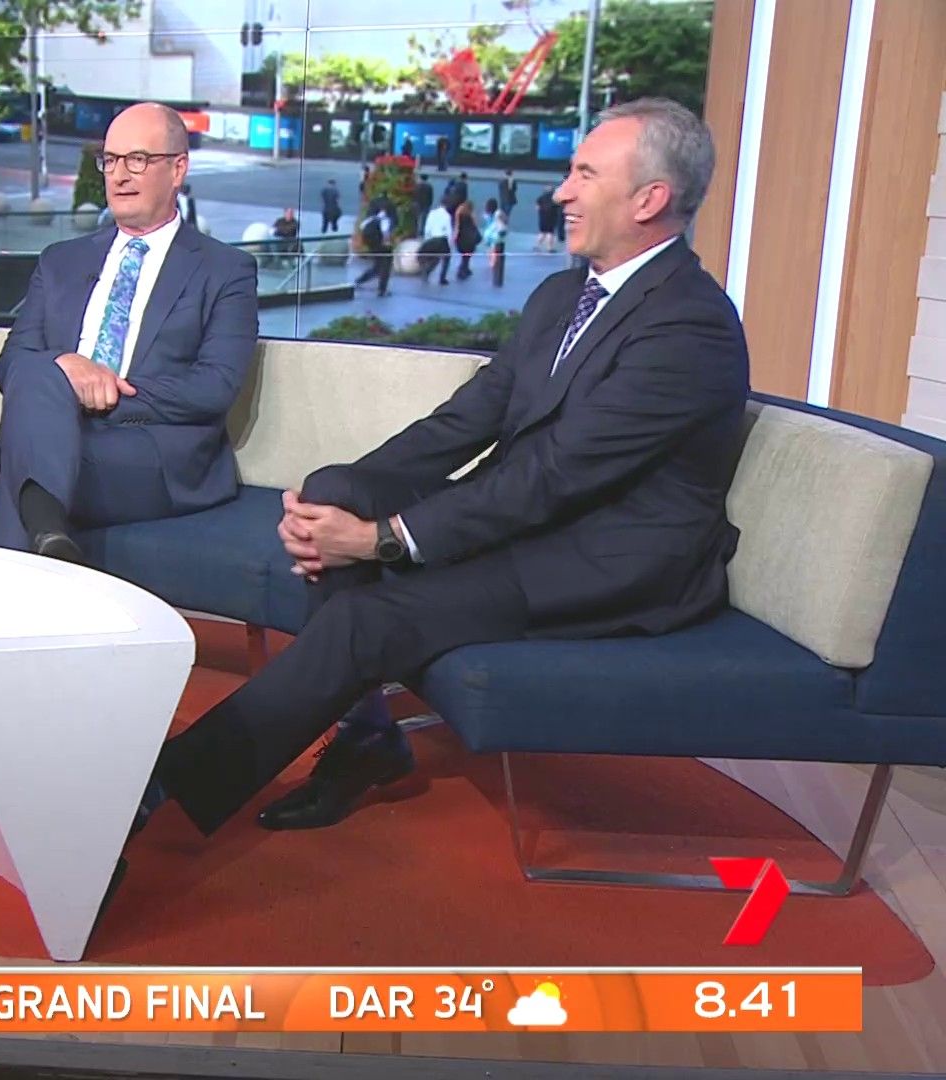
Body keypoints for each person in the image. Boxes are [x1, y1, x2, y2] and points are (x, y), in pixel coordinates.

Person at [134, 97, 748, 838]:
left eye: (585, 174)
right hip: (536, 523)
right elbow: (469, 419)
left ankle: (158, 793)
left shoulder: (689, 326)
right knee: (337, 488)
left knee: (367, 617)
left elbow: (554, 475)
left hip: (608, 560)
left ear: (649, 200)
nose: (561, 192)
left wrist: (383, 539)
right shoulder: (565, 294)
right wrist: (337, 509)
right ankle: (367, 736)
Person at [0, 102, 258, 560]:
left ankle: (40, 540)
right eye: (110, 160)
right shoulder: (60, 261)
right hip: (53, 430)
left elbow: (214, 386)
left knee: (32, 461)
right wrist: (66, 367)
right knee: (36, 371)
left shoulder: (225, 270)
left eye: (138, 160)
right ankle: (49, 540)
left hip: (149, 450)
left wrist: (102, 390)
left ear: (178, 169)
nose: (120, 175)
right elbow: (11, 364)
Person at [352, 201, 394, 297]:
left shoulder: (371, 218)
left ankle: (359, 281)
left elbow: (361, 227)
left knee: (377, 267)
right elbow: (385, 233)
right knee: (386, 267)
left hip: (372, 245)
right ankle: (382, 290)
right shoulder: (385, 220)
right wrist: (388, 244)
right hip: (382, 246)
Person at [419, 199, 453, 284]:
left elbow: (427, 228)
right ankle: (442, 278)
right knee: (446, 258)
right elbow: (449, 231)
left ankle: (426, 271)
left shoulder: (432, 213)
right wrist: (450, 244)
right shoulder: (447, 215)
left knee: (430, 256)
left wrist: (426, 240)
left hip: (432, 239)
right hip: (442, 240)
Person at [452, 194, 482, 280]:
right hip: (470, 239)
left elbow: (457, 226)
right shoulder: (471, 215)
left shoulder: (459, 213)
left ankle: (465, 269)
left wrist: (454, 238)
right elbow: (475, 225)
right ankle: (462, 270)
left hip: (461, 239)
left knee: (464, 255)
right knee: (467, 256)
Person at [484, 197, 509, 287]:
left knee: (490, 248)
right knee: (495, 249)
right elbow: (505, 221)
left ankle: (491, 262)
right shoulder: (499, 213)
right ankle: (493, 264)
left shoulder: (487, 214)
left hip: (488, 233)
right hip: (497, 233)